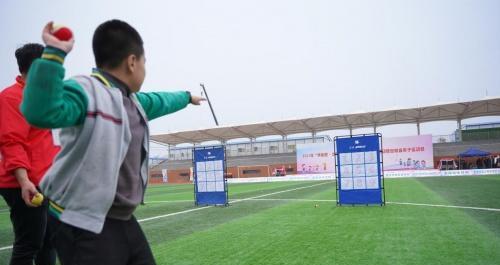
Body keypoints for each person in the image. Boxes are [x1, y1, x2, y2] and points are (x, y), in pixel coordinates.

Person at [21, 20, 205, 265]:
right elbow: (40, 111)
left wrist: (186, 97)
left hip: (120, 216)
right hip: (80, 220)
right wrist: (53, 55)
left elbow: (160, 100)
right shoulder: (86, 91)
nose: (144, 68)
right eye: (144, 62)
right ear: (132, 62)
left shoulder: (131, 101)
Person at [0, 43, 58, 265]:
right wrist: (24, 181)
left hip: (44, 180)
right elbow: (11, 142)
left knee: (48, 242)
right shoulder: (12, 98)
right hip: (22, 183)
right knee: (29, 244)